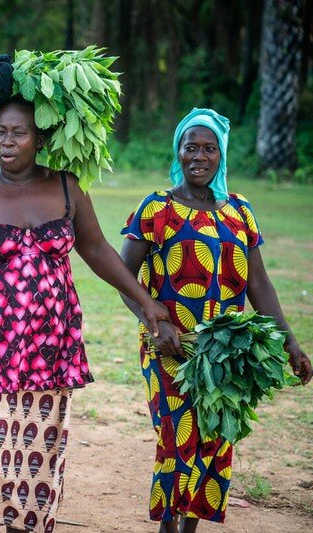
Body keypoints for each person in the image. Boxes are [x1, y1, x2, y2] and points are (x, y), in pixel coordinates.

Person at [0, 54, 169, 533]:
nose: (6, 141)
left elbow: (99, 250)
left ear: (40, 137)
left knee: (34, 467)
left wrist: (145, 302)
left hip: (48, 349)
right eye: (0, 131)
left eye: (18, 132)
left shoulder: (66, 189)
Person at [119, 108, 312, 533]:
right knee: (175, 437)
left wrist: (290, 343)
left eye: (209, 149)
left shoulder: (240, 212)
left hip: (226, 351)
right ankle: (168, 528)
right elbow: (123, 280)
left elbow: (259, 285)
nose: (199, 156)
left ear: (221, 155)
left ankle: (190, 529)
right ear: (179, 152)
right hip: (169, 347)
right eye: (191, 147)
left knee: (215, 440)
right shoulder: (155, 209)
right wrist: (156, 323)